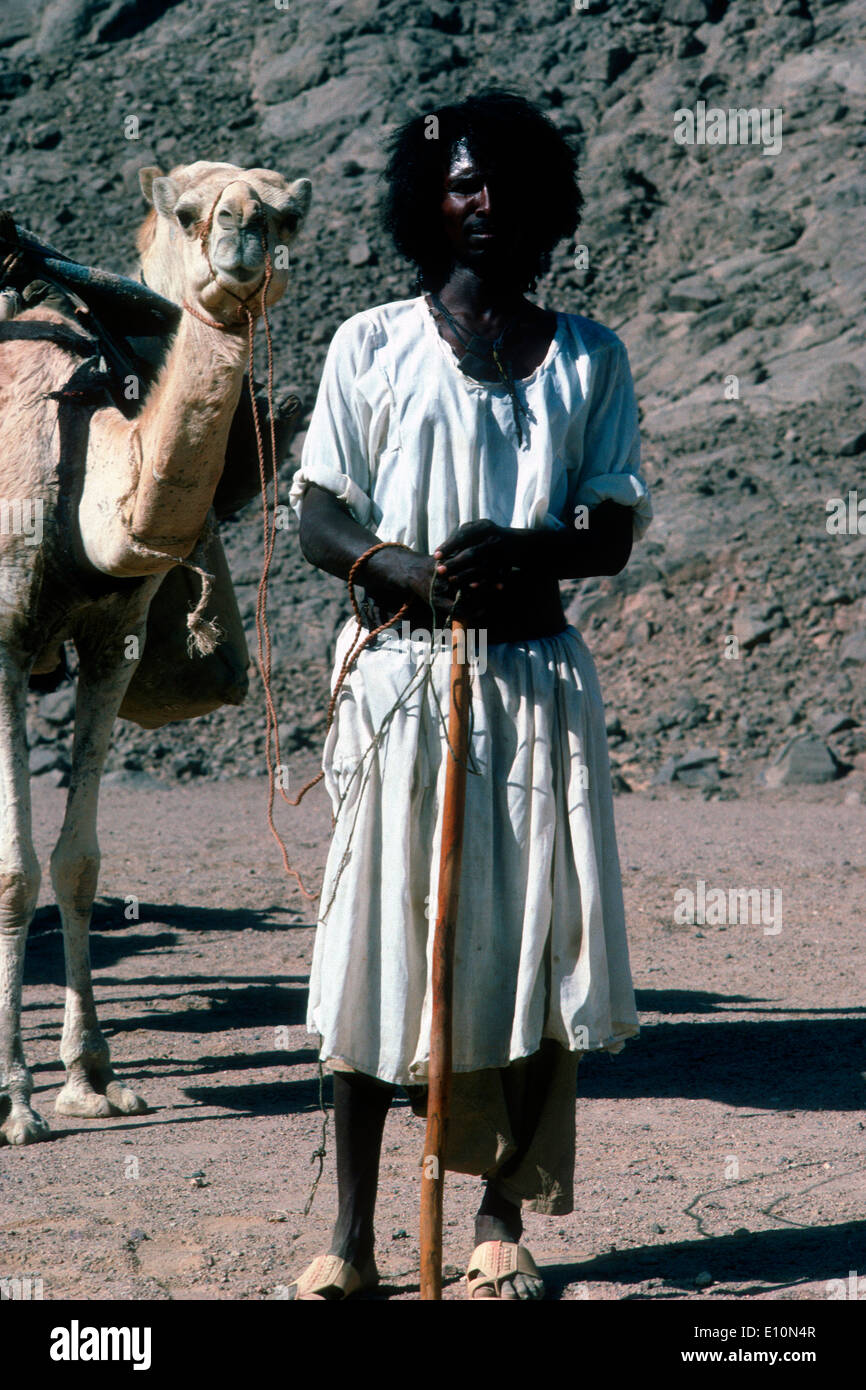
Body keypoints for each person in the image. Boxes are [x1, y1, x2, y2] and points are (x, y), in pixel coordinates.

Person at [287, 90, 652, 1300]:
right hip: (401, 682)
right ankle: (344, 1238)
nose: (479, 201)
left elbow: (608, 521)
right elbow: (318, 508)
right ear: (422, 206)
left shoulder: (588, 356)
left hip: (535, 686)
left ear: (545, 200)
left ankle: (500, 1219)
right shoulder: (369, 343)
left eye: (500, 182)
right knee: (378, 942)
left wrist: (533, 548)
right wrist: (385, 563)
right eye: (455, 183)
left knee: (536, 944)